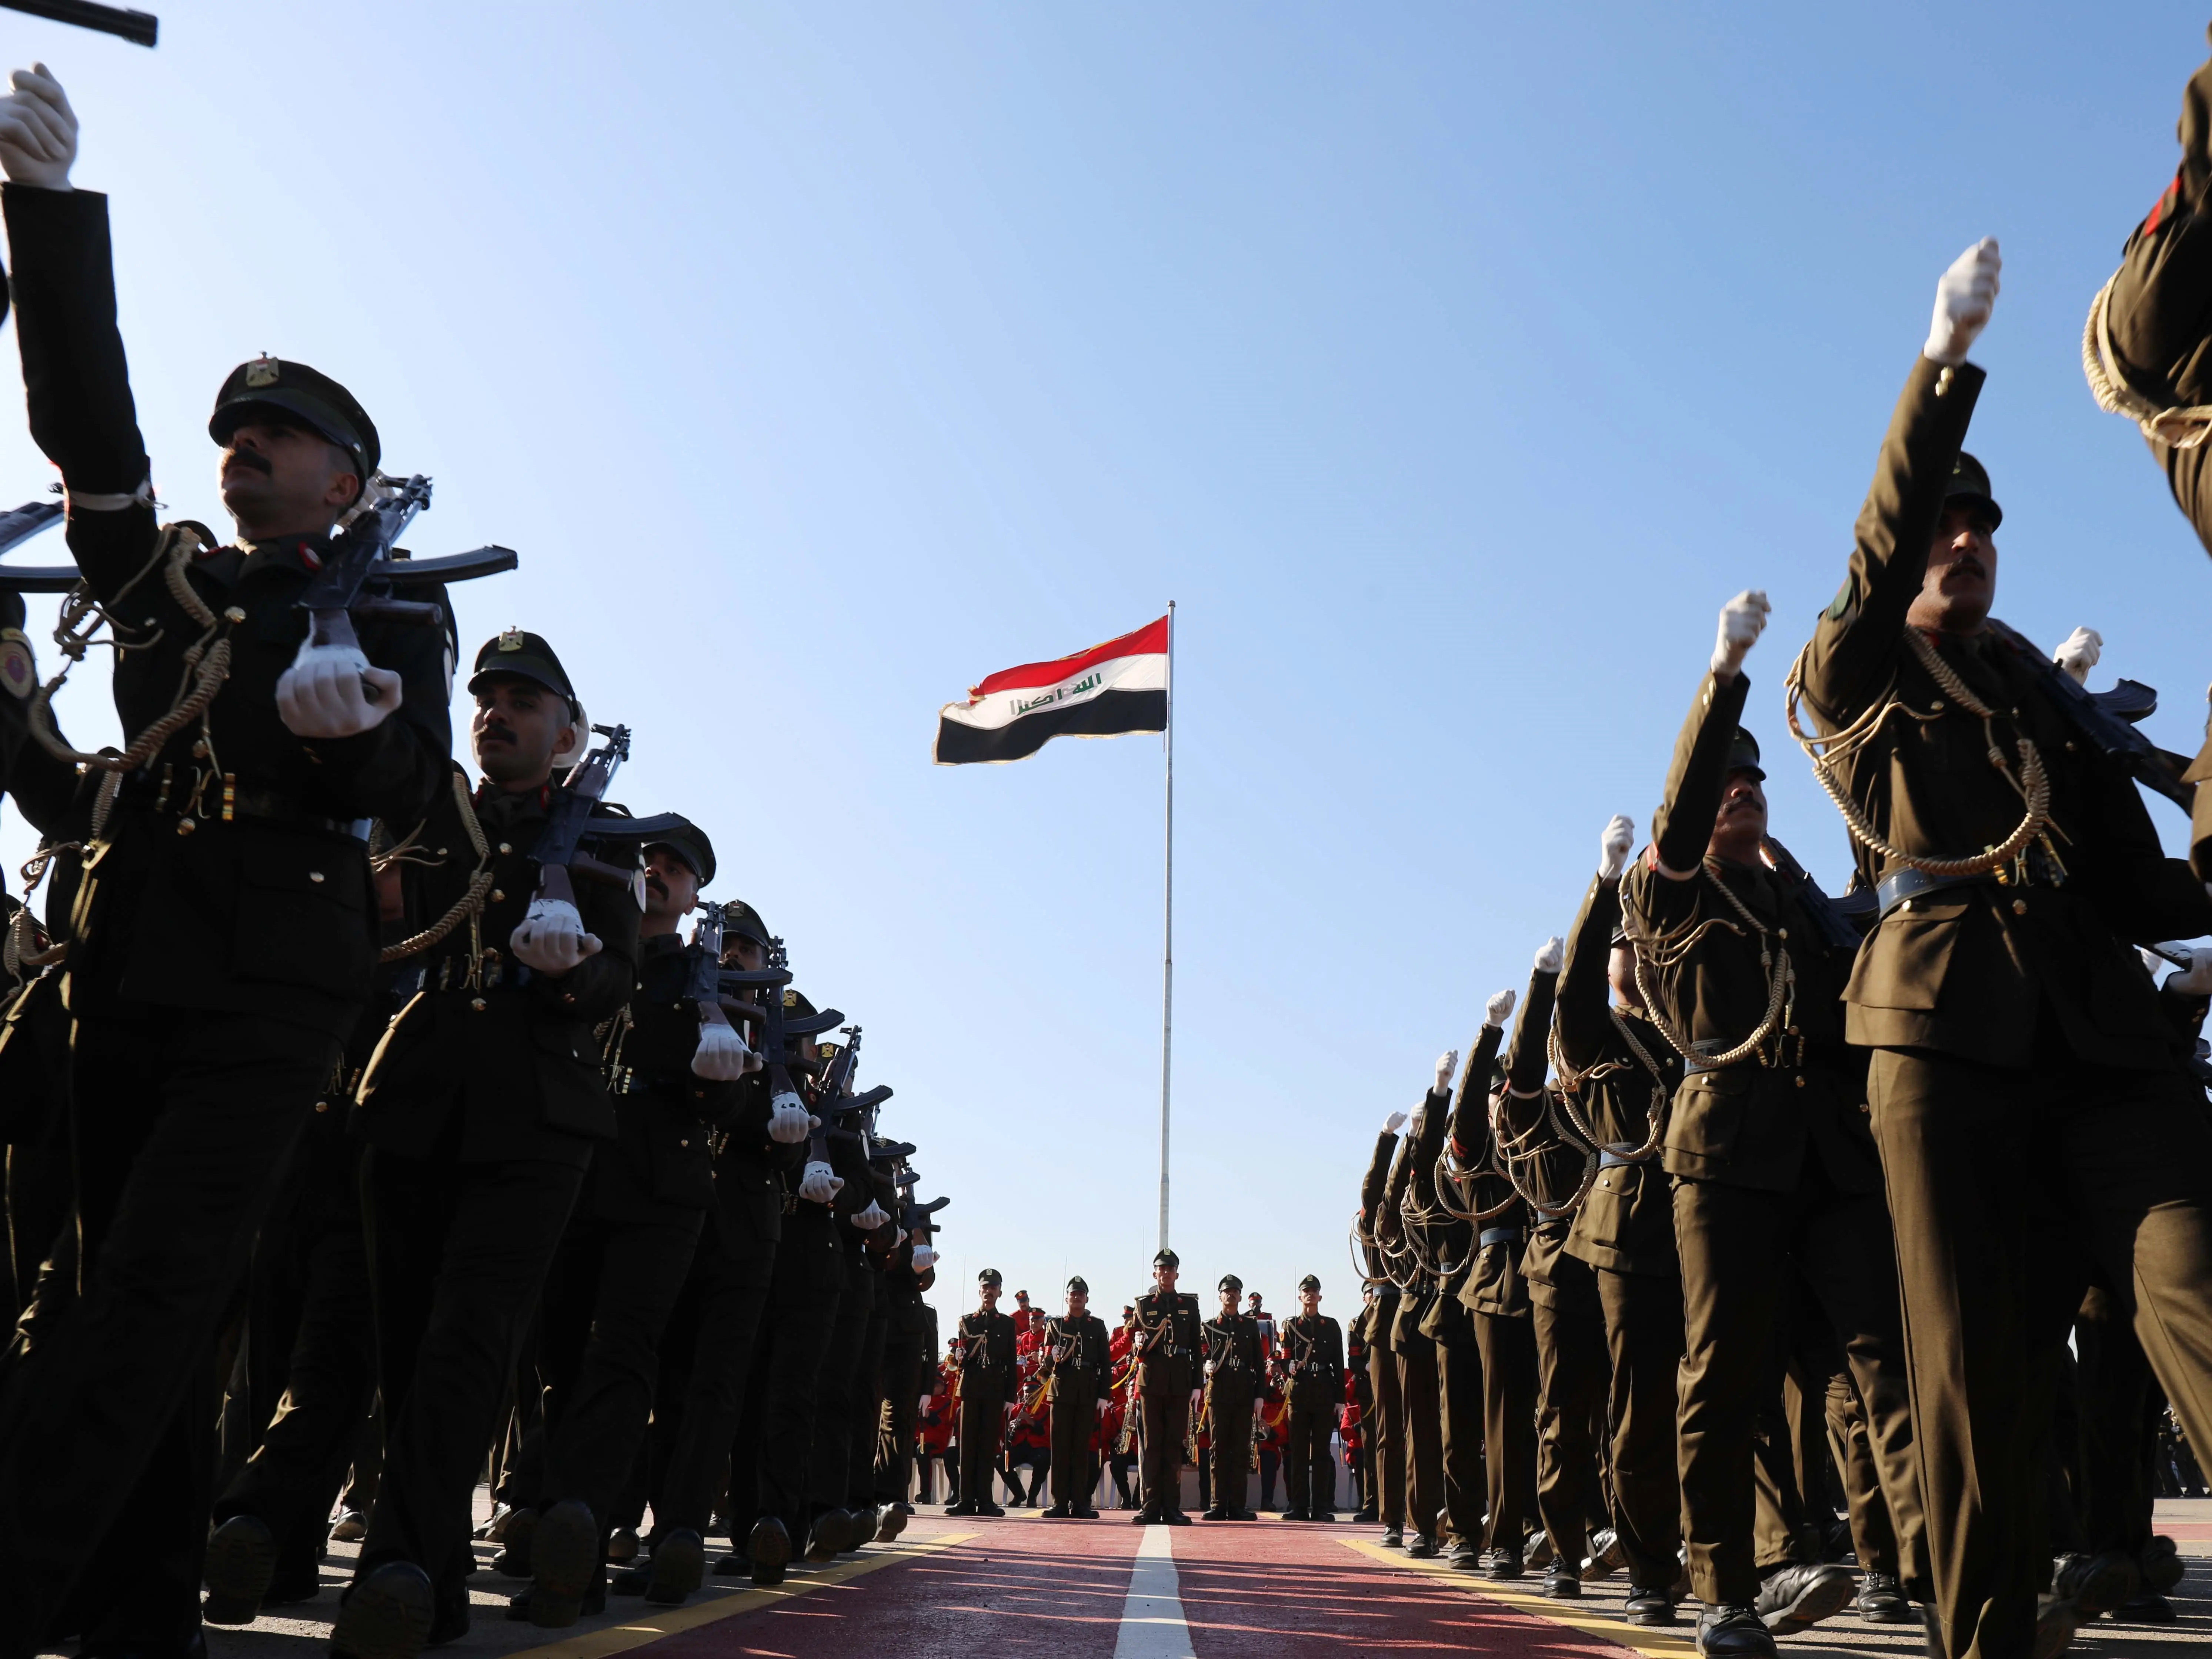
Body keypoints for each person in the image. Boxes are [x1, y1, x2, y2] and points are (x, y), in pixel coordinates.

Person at [0, 64, 457, 1659]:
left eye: (281, 436)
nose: (243, 448)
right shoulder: (169, 582)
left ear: (348, 481)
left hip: (275, 977)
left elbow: (418, 786)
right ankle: (136, 1618)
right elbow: (93, 442)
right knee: (113, 1298)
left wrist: (352, 739)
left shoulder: (391, 607)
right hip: (132, 954)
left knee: (149, 1290)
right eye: (236, 435)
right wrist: (48, 217)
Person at [1796, 236, 2212, 1659]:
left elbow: (2141, 882)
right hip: (1943, 1040)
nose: (1962, 542)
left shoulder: (2042, 691)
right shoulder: (1853, 670)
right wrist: (1944, 367)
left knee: (2193, 1281)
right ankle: (1984, 1638)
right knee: (1975, 1383)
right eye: (1940, 526)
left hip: (2102, 1042)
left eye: (1980, 527)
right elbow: (1871, 558)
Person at [1623, 595, 1927, 1659]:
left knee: (1885, 1357)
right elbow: (1676, 820)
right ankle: (1724, 1592)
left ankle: (1942, 1567)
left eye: (1753, 781)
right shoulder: (1667, 892)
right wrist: (1723, 680)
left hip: (1827, 1152)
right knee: (1723, 1371)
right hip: (1723, 1152)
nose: (1741, 791)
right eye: (1724, 781)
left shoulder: (1797, 896)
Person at [337, 631, 643, 1655]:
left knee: (468, 1336)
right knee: (402, 1341)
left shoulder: (605, 836)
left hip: (537, 1108)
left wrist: (572, 969)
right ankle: (433, 1577)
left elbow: (618, 976)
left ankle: (397, 1566)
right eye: (486, 698)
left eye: (522, 701)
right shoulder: (433, 812)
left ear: (566, 733)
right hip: (416, 1089)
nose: (495, 713)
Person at [504, 818, 747, 1620]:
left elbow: (728, 1103)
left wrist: (717, 1080)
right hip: (575, 1161)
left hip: (662, 1181)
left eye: (677, 867)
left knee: (621, 1354)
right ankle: (552, 1512)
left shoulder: (706, 979)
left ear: (694, 895)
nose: (659, 871)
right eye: (651, 861)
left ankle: (577, 1528)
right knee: (559, 1356)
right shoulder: (590, 940)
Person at [1555, 812, 1687, 1626]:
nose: (1632, 953)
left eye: (1641, 941)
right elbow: (1571, 989)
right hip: (1630, 1226)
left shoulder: (1690, 1023)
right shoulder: (1597, 1030)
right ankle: (1648, 1568)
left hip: (1706, 1212)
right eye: (1620, 945)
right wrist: (1604, 887)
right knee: (1639, 1402)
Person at [1130, 1248, 1203, 1523]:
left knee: (1174, 1444)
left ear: (1176, 1274)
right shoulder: (1143, 1305)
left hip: (1180, 1381)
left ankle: (1172, 1507)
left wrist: (1197, 1385)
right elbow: (1135, 1347)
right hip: (1151, 1381)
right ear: (1155, 1274)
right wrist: (1137, 1345)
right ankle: (1150, 1506)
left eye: (1170, 1269)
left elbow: (1196, 1348)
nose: (1166, 1273)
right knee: (1151, 1445)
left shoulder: (1189, 1305)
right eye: (1162, 1269)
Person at [948, 1268, 1017, 1518]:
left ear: (1000, 1293)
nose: (989, 1292)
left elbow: (1011, 1362)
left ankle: (986, 1500)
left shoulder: (1007, 1324)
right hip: (972, 1386)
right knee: (967, 1445)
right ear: (979, 1291)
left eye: (993, 1288)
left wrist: (1010, 1397)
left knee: (988, 1446)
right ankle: (966, 1499)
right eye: (985, 1288)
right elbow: (961, 1358)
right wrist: (959, 1356)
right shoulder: (967, 1321)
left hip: (995, 1388)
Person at [1040, 1275, 1110, 1518]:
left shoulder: (1096, 1326)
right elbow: (1046, 1364)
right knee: (1060, 1449)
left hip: (1088, 1391)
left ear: (1087, 1299)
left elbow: (1105, 1363)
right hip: (1062, 1390)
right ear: (1067, 1298)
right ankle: (1060, 1502)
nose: (1077, 1297)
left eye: (1081, 1294)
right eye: (1073, 1294)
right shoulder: (1056, 1326)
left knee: (1082, 1449)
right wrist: (1052, 1356)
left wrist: (1104, 1395)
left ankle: (1081, 1502)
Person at [1280, 1275, 1345, 1521]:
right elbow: (1285, 1357)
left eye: (1314, 1291)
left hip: (1323, 1394)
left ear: (1320, 1296)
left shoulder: (1331, 1325)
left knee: (1321, 1453)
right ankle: (1298, 1506)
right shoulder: (1291, 1325)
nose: (1310, 1294)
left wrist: (1339, 1399)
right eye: (1306, 1291)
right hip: (1299, 1393)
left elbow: (1338, 1363)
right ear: (1300, 1297)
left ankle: (1320, 1507)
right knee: (1298, 1453)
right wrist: (1289, 1366)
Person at [1201, 1274, 1264, 1521]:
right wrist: (1205, 1366)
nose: (1231, 1295)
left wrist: (1259, 1396)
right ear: (1220, 1297)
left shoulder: (1249, 1325)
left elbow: (1259, 1363)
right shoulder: (1209, 1326)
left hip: (1244, 1392)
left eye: (1235, 1292)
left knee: (1240, 1450)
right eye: (1227, 1291)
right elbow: (1201, 1356)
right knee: (1218, 1449)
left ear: (1240, 1297)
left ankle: (1238, 1505)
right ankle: (1217, 1503)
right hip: (1219, 1391)